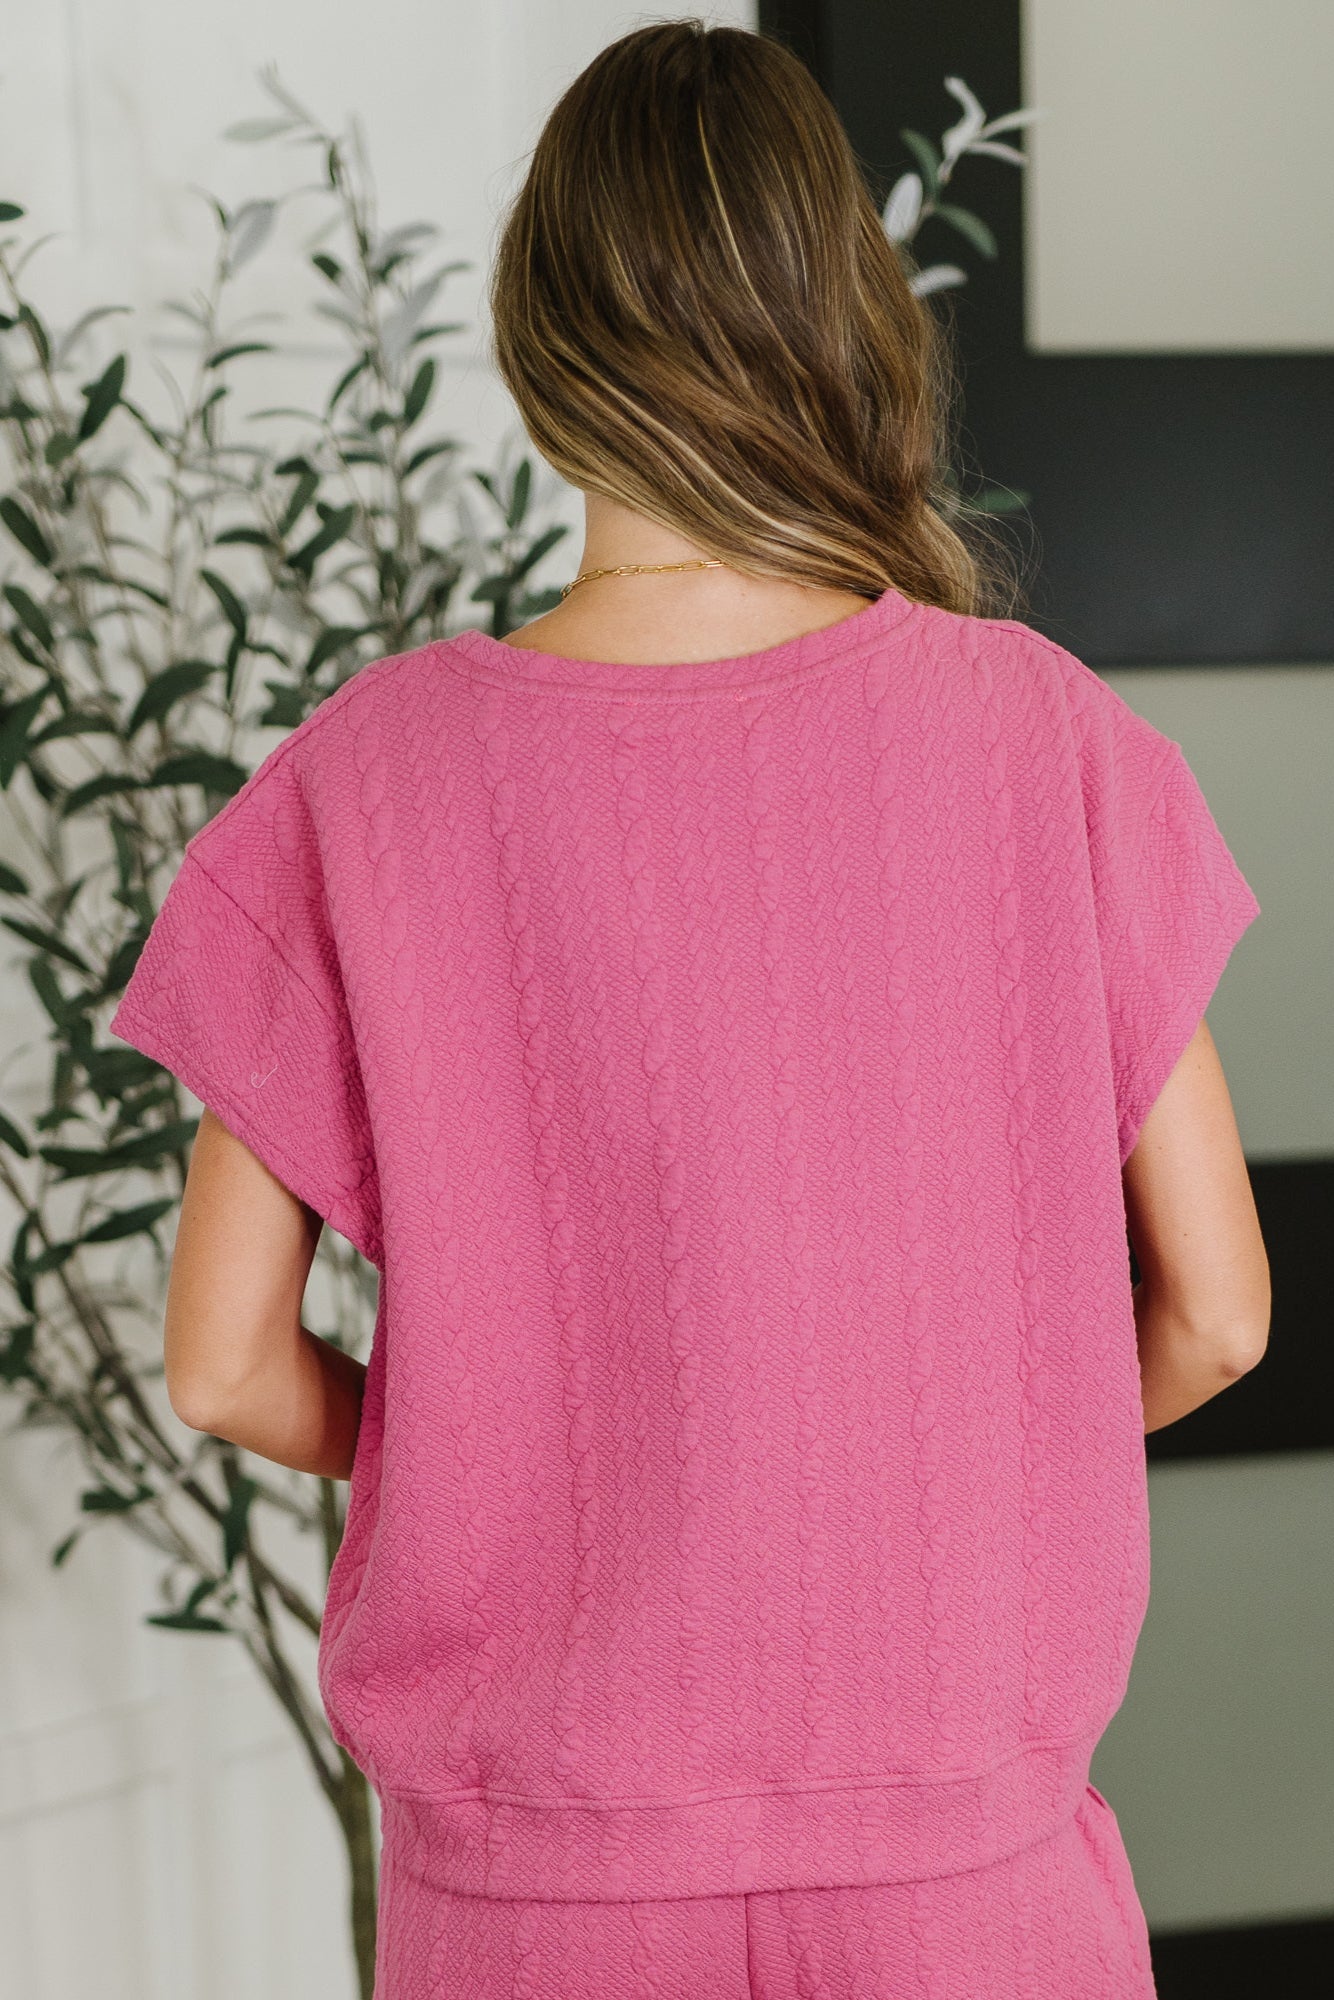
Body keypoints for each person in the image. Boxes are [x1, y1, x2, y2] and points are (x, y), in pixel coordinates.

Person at [109, 19, 1268, 1999]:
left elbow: (221, 1370)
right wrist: (964, 1463)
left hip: (533, 1910)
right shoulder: (1041, 738)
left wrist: (501, 1468)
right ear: (840, 323)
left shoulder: (365, 781)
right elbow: (1219, 1314)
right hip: (970, 1891)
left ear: (536, 343)